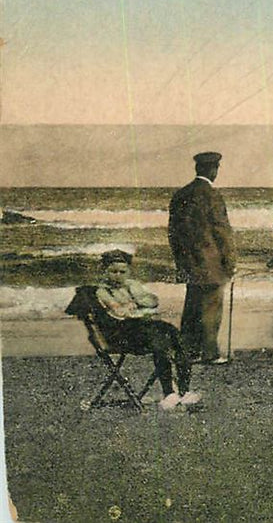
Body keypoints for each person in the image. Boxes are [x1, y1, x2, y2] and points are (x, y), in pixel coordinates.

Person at [93, 249, 200, 410]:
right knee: (160, 343)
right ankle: (169, 392)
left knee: (175, 335)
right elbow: (118, 311)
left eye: (122, 271)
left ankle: (184, 390)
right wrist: (135, 304)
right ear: (104, 271)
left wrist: (136, 301)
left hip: (141, 326)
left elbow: (153, 301)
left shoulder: (132, 285)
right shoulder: (103, 291)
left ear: (128, 271)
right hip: (123, 332)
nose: (118, 275)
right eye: (113, 271)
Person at [168, 151, 236, 364]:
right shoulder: (212, 195)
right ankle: (210, 353)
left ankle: (189, 351)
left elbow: (173, 232)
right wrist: (230, 260)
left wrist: (180, 260)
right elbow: (222, 231)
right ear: (212, 169)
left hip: (188, 262)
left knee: (192, 307)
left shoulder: (181, 194)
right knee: (211, 308)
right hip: (211, 262)